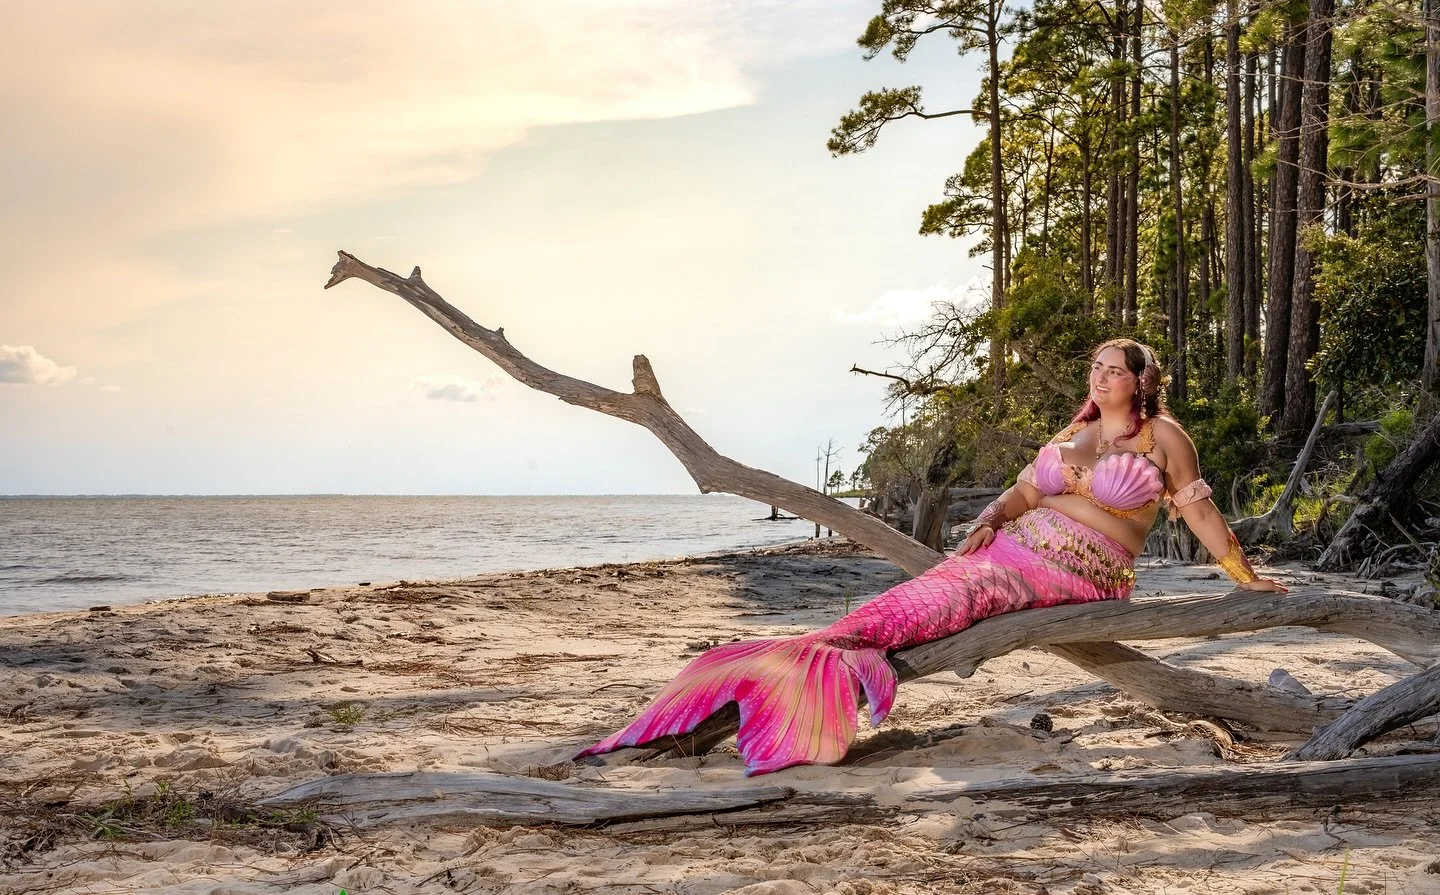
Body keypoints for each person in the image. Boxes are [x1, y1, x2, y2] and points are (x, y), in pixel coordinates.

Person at [578, 339, 1287, 776]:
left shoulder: (1164, 437)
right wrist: (987, 519)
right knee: (909, 604)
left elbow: (1197, 510)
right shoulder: (1075, 431)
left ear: (1141, 378)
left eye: (1112, 369)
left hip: (1075, 573)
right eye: (1094, 368)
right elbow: (1019, 490)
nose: (1099, 377)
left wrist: (1243, 576)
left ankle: (814, 674)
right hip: (1009, 549)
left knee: (952, 603)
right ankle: (804, 659)